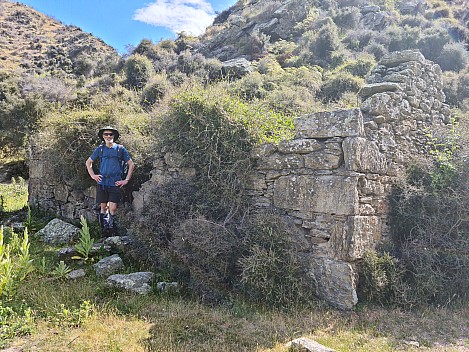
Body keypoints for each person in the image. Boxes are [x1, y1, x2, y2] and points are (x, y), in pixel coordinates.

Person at [85, 126, 135, 236]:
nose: (108, 136)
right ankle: (104, 232)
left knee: (113, 208)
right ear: (102, 136)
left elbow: (131, 164)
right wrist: (93, 175)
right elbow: (88, 162)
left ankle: (113, 232)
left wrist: (126, 180)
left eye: (110, 134)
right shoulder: (100, 149)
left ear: (114, 136)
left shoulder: (120, 149)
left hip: (115, 182)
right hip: (102, 183)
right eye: (106, 134)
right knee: (103, 207)